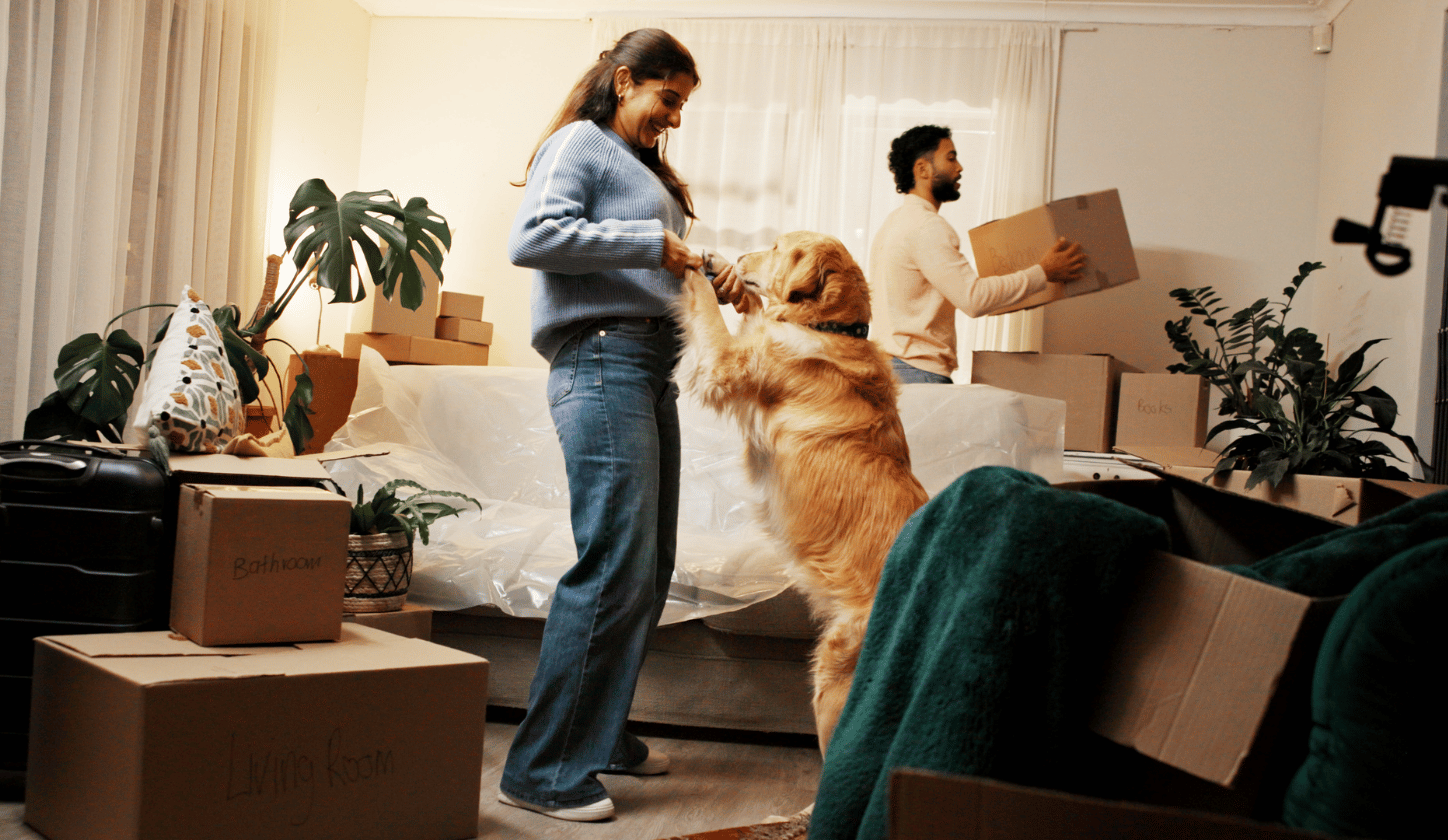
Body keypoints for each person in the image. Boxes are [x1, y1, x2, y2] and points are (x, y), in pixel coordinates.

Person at [498, 28, 743, 823]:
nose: (673, 116)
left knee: (646, 566)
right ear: (626, 79)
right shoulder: (579, 143)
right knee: (613, 564)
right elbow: (533, 238)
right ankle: (541, 770)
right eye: (667, 98)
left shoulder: (641, 170)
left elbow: (650, 262)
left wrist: (711, 269)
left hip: (644, 369)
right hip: (599, 361)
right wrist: (659, 244)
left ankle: (596, 734)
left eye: (682, 105)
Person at [869, 125, 1087, 384]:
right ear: (922, 169)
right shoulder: (927, 227)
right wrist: (1044, 272)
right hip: (917, 372)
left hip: (891, 369)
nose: (959, 167)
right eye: (950, 158)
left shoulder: (893, 223)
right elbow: (974, 299)